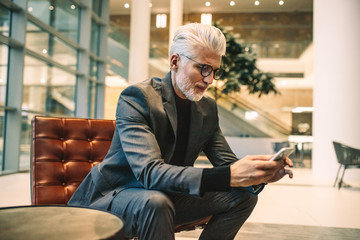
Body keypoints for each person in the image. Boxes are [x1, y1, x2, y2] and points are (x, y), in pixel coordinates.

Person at [68, 23, 293, 240]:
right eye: (202, 68)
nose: (209, 80)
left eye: (214, 71)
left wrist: (260, 174)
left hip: (163, 198)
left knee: (243, 197)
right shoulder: (137, 97)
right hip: (114, 198)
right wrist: (229, 175)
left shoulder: (207, 108)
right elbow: (150, 173)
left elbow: (227, 165)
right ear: (175, 61)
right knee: (154, 202)